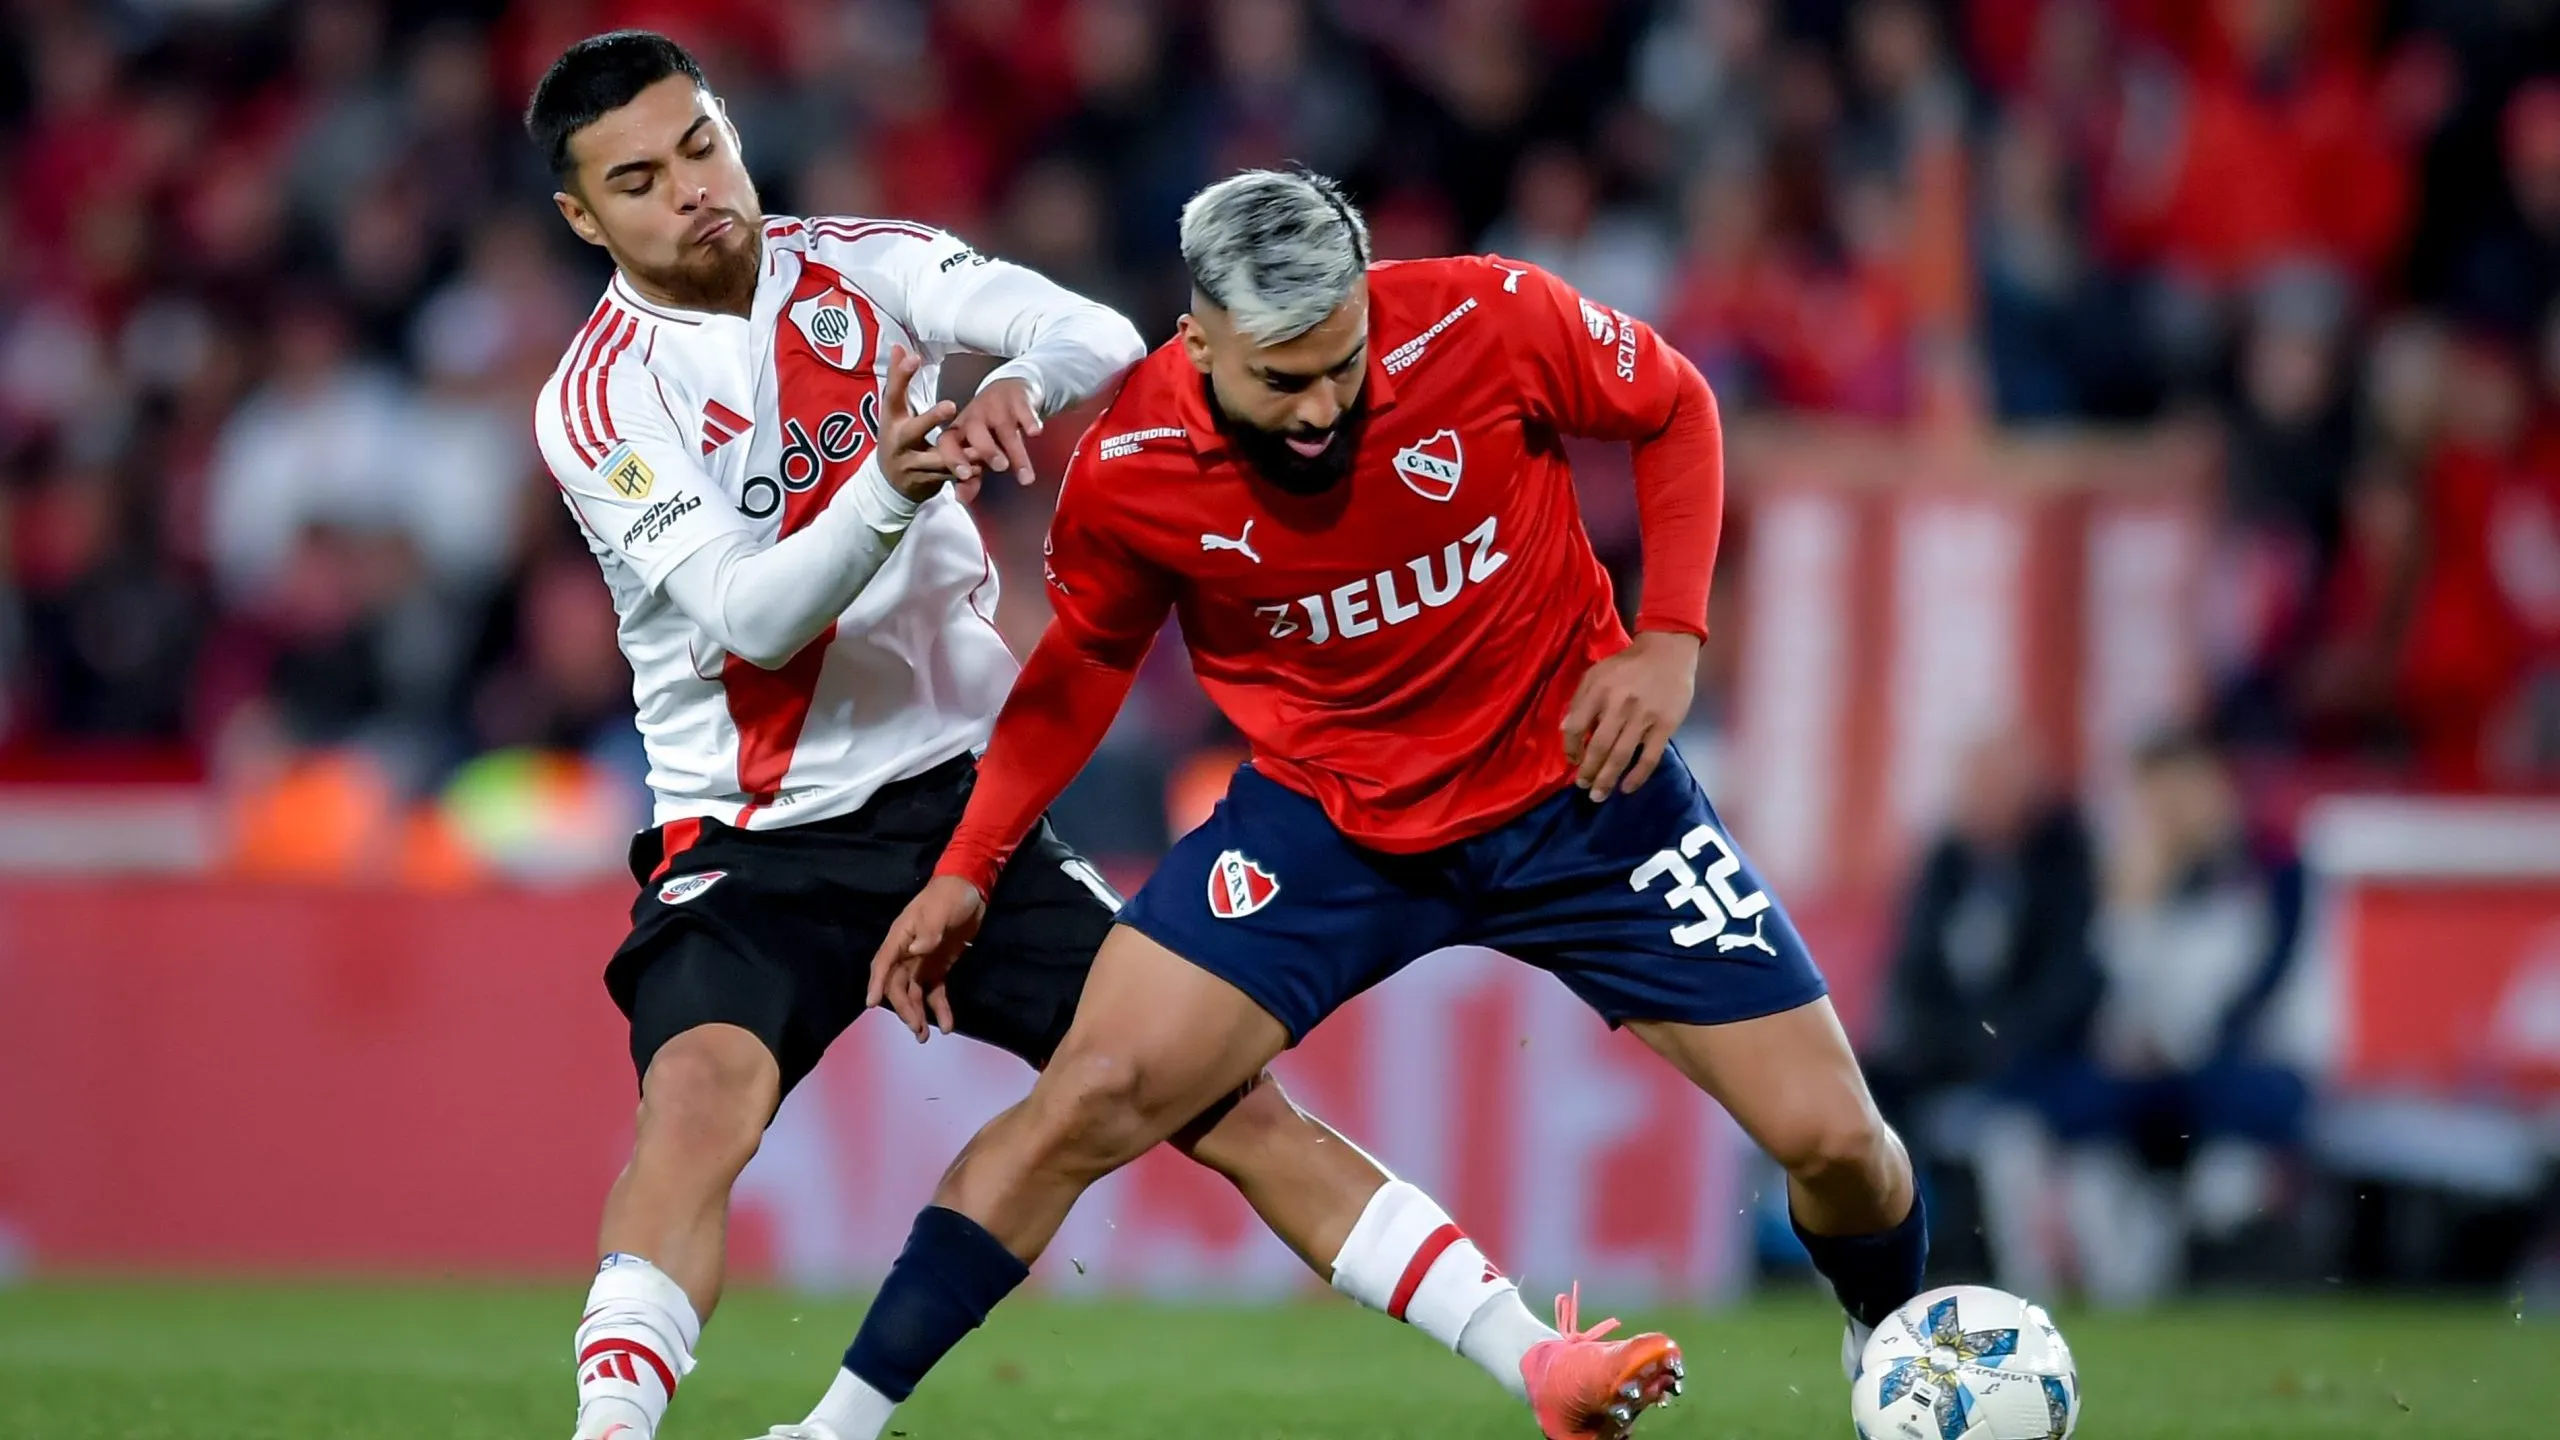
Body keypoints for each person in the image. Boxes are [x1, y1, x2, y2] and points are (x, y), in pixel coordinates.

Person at [523, 34, 1641, 1440]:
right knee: (698, 1105)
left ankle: (1537, 1361)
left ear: (731, 131)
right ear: (584, 218)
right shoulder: (599, 402)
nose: (691, 188)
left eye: (700, 146)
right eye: (637, 180)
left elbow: (1099, 334)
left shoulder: (867, 265)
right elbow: (750, 619)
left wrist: (1022, 387)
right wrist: (886, 489)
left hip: (960, 810)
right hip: (750, 839)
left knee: (1220, 1101)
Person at [813, 169, 1925, 1440]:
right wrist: (970, 861)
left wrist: (1669, 635)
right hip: (1327, 825)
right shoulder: (1130, 469)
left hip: (1585, 792)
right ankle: (831, 1428)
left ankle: (1896, 1351)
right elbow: (1083, 672)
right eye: (1281, 380)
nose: (1321, 407)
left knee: (1837, 1142)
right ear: (1198, 341)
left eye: (1342, 364)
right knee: (1090, 1093)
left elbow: (1674, 404)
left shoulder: (1487, 319)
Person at [1863, 733, 2102, 1295]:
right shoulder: (1946, 863)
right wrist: (1951, 1039)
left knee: (2013, 1122)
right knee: (1864, 1089)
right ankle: (1875, 1260)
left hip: (2036, 1054)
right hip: (1951, 1049)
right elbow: (1913, 970)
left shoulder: (2064, 860)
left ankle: (2024, 1271)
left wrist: (1998, 1039)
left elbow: (2070, 978)